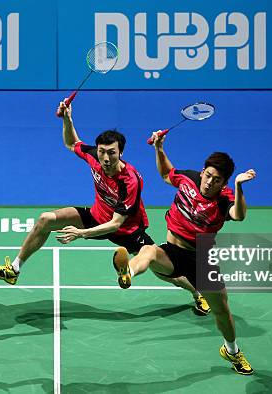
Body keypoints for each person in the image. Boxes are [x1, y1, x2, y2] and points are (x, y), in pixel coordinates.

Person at [0, 101, 211, 316]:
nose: (106, 157)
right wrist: (67, 119)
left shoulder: (130, 181)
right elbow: (72, 143)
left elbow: (116, 224)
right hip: (96, 216)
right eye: (102, 151)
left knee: (166, 273)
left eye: (111, 152)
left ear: (121, 152)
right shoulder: (95, 157)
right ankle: (14, 269)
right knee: (45, 219)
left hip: (128, 232)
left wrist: (80, 233)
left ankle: (197, 292)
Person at [112, 130, 257, 375]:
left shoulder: (225, 199)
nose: (210, 182)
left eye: (217, 179)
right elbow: (166, 173)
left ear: (224, 182)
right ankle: (128, 272)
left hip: (201, 260)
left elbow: (239, 215)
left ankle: (231, 351)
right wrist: (159, 148)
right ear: (203, 171)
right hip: (172, 251)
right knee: (148, 250)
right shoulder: (189, 179)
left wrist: (239, 186)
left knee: (222, 311)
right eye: (208, 175)